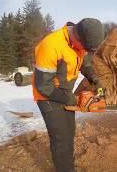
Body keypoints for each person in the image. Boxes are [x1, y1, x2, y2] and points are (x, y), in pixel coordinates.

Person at [32, 18, 104, 172]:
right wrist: (70, 98)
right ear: (77, 37)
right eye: (86, 48)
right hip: (47, 97)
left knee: (69, 132)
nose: (86, 51)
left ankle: (66, 165)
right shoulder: (51, 45)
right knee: (61, 138)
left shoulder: (80, 43)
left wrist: (95, 80)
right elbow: (43, 85)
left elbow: (85, 64)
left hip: (64, 93)